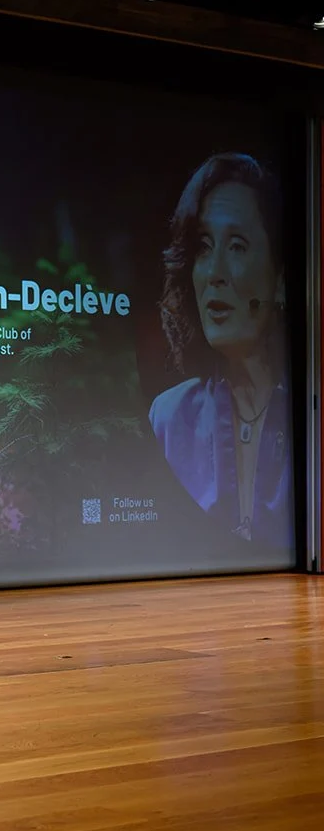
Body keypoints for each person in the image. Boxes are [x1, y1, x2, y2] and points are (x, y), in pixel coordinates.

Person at [149, 152, 290, 548]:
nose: (214, 274)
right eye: (205, 247)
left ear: (280, 280)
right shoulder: (169, 417)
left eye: (238, 247)